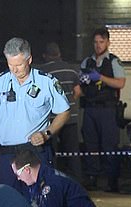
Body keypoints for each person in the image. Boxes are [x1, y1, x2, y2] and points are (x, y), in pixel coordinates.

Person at [0, 37, 70, 188]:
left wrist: (47, 133)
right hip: (6, 155)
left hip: (35, 153)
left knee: (40, 200)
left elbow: (64, 112)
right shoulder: (0, 82)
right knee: (7, 201)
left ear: (29, 59)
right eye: (10, 64)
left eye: (19, 64)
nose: (15, 69)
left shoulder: (47, 82)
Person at [79, 28, 126, 192]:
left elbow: (120, 83)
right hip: (90, 109)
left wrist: (100, 78)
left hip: (108, 110)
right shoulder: (87, 62)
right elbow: (80, 84)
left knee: (109, 145)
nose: (98, 45)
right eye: (96, 42)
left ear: (108, 42)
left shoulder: (114, 61)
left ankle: (112, 181)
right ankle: (92, 177)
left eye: (101, 42)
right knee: (90, 144)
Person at [37, 42, 82, 181]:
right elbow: (78, 91)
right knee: (72, 153)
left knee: (52, 152)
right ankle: (77, 181)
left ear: (45, 56)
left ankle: (52, 181)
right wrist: (69, 104)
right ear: (59, 54)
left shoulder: (42, 72)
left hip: (52, 120)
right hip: (71, 117)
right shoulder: (72, 69)